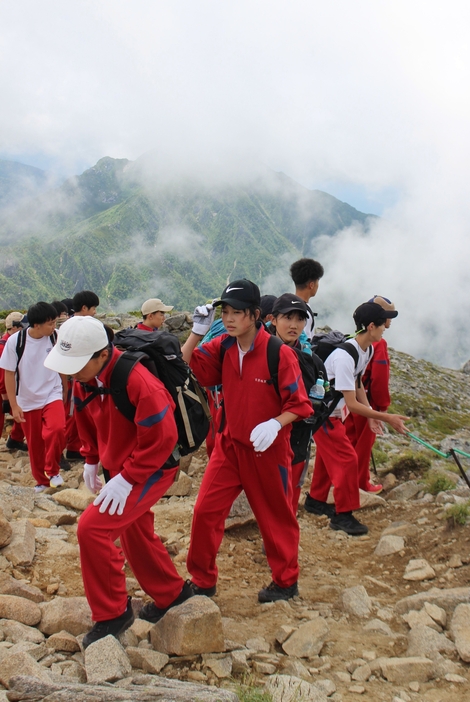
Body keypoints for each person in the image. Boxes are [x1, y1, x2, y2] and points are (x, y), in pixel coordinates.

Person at [44, 316, 192, 648]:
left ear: (101, 354)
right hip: (120, 467)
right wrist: (92, 458)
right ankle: (173, 594)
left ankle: (112, 612)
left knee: (93, 529)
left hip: (151, 467)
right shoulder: (87, 375)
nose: (70, 373)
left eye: (76, 364)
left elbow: (163, 438)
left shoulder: (137, 379)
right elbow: (86, 416)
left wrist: (129, 478)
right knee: (134, 530)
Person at [181, 279, 313, 602]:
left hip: (266, 451)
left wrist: (275, 423)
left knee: (276, 517)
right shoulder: (223, 346)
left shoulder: (279, 354)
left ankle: (285, 582)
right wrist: (197, 332)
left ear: (255, 314)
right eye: (225, 311)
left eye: (237, 312)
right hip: (229, 446)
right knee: (205, 511)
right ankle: (202, 580)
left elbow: (300, 405)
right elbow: (186, 365)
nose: (229, 318)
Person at [304, 302, 409, 535]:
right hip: (324, 415)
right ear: (371, 326)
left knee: (327, 456)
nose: (385, 329)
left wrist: (370, 413)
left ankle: (316, 500)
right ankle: (344, 515)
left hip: (333, 413)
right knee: (347, 459)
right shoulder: (344, 356)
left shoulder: (367, 349)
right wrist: (386, 416)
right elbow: (351, 403)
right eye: (382, 325)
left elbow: (357, 382)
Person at [0, 302, 66, 492]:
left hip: (51, 392)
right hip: (27, 398)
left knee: (56, 430)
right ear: (36, 325)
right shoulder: (16, 342)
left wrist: (65, 388)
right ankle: (41, 481)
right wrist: (13, 405)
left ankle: (52, 470)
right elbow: (9, 374)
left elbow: (61, 363)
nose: (54, 326)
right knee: (35, 442)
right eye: (51, 323)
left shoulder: (54, 337)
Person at [345, 296, 397, 493]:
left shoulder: (356, 339)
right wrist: (382, 407)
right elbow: (379, 378)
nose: (389, 321)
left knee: (350, 440)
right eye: (388, 317)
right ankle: (360, 483)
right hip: (368, 402)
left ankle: (342, 479)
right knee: (364, 445)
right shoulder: (379, 344)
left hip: (351, 398)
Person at [269, 294, 315, 513]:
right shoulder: (257, 348)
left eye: (300, 319)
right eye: (288, 318)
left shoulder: (309, 358)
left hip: (297, 437)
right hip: (265, 437)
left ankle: (280, 542)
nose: (294, 325)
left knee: (290, 495)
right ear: (273, 319)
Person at [0, 312, 27, 452]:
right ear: (15, 327)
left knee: (22, 415)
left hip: (10, 390)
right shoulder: (4, 347)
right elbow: (3, 377)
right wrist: (6, 398)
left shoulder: (10, 343)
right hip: (5, 392)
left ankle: (15, 439)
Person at [289, 258, 324, 341]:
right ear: (311, 285)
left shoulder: (287, 304)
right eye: (317, 282)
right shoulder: (304, 312)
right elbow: (304, 342)